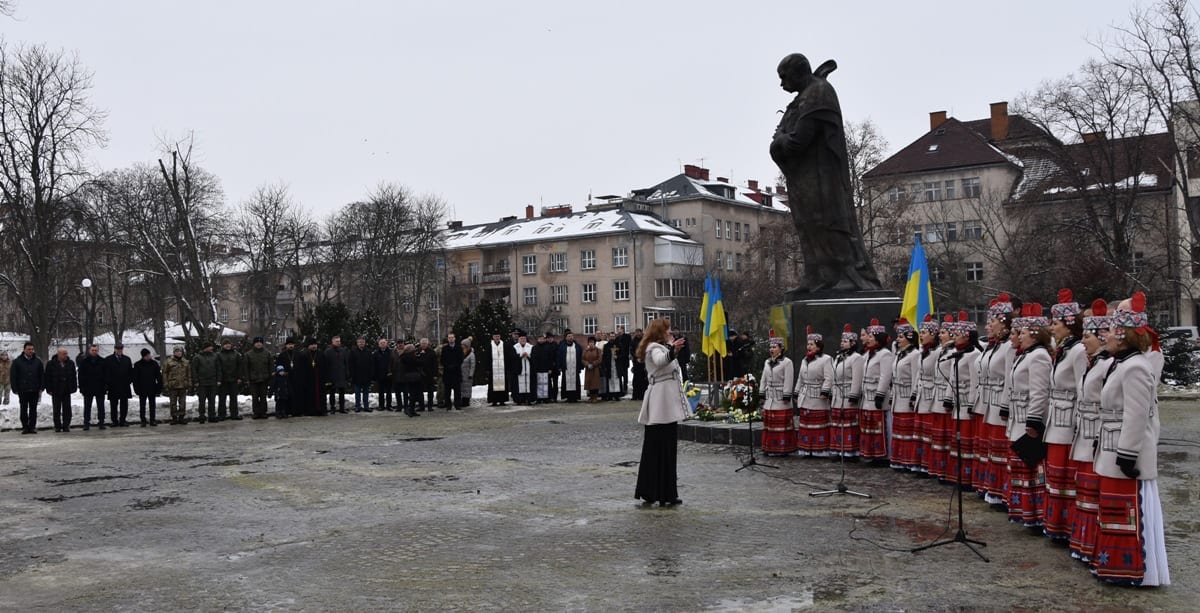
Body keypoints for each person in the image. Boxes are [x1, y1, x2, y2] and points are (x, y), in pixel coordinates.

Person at [769, 52, 880, 293]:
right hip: (803, 176)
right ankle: (817, 276)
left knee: (828, 222)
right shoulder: (802, 98)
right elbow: (783, 134)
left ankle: (846, 275)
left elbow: (799, 140)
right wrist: (780, 140)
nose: (781, 84)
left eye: (784, 77)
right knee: (807, 225)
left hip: (822, 175)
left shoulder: (819, 93)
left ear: (799, 72)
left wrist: (780, 142)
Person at [1092, 292, 1170, 586]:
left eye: (1111, 331)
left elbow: (1137, 415)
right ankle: (1113, 566)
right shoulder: (1122, 364)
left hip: (1125, 453)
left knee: (1127, 512)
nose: (1106, 336)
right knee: (1112, 511)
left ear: (1123, 336)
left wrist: (1126, 453)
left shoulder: (1136, 366)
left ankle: (1131, 569)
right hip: (1112, 447)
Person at [1040, 289, 1087, 541]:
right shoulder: (1064, 349)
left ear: (1069, 325)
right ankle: (1057, 523)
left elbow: (1083, 388)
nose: (1051, 327)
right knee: (1056, 474)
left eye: (1055, 323)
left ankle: (1067, 525)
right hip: (1057, 419)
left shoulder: (1078, 350)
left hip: (1068, 421)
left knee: (1066, 476)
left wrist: (1079, 422)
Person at [1068, 299, 1111, 563]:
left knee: (1094, 495)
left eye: (1087, 335)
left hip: (1097, 434)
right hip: (1084, 431)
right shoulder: (1094, 362)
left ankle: (1094, 546)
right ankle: (1084, 543)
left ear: (1101, 337)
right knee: (1084, 494)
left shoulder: (1106, 365)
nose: (1082, 340)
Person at [634, 318, 689, 507]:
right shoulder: (654, 348)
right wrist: (673, 351)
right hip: (661, 402)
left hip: (663, 401)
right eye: (667, 330)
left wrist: (672, 349)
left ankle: (652, 490)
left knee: (657, 448)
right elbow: (660, 361)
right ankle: (664, 493)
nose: (670, 332)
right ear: (660, 332)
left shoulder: (660, 346)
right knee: (663, 449)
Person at [1008, 302, 1052, 529]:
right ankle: (1025, 511)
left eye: (1023, 333)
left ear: (1035, 335)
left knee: (1032, 470)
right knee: (1020, 468)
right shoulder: (1026, 355)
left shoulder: (1039, 357)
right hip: (1017, 415)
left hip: (1027, 417)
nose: (1019, 336)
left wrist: (1034, 419)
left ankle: (1035, 515)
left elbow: (1040, 391)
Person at [979, 294, 1016, 506]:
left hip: (1001, 404)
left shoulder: (1008, 347)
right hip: (989, 402)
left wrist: (1005, 405)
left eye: (991, 321)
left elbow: (1010, 378)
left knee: (1002, 453)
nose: (988, 326)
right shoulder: (993, 346)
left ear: (1003, 323)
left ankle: (1003, 492)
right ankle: (992, 489)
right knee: (993, 451)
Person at [943, 312, 980, 488]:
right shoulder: (957, 354)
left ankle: (968, 477)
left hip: (966, 402)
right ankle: (957, 474)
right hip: (957, 401)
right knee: (957, 440)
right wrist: (948, 398)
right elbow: (952, 377)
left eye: (957, 335)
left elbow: (974, 382)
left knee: (966, 441)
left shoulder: (973, 355)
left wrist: (972, 404)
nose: (954, 338)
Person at [793, 326, 834, 457]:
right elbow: (800, 377)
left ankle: (820, 449)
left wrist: (825, 391)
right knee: (806, 424)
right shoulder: (804, 360)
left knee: (819, 425)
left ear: (819, 346)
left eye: (811, 344)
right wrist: (796, 392)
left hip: (818, 397)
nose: (808, 347)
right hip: (806, 395)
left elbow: (829, 377)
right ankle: (806, 448)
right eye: (808, 344)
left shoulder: (826, 359)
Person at [860, 319, 895, 465]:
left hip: (878, 394)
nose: (867, 339)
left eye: (871, 337)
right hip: (867, 394)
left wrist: (880, 394)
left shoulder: (885, 354)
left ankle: (884, 455)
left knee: (882, 426)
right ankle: (873, 453)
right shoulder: (868, 354)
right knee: (870, 426)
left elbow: (885, 375)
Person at [912, 315, 943, 477]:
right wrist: (914, 393)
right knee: (920, 434)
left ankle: (929, 465)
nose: (921, 335)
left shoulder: (937, 352)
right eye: (921, 332)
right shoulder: (922, 352)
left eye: (924, 332)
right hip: (921, 395)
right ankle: (920, 464)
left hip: (931, 396)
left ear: (933, 334)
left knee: (930, 434)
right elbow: (918, 373)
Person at [928, 315, 957, 480]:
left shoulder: (954, 352)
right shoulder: (940, 351)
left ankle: (946, 470)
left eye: (944, 332)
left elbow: (952, 377)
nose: (940, 335)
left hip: (946, 396)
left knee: (946, 437)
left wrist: (948, 398)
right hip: (936, 396)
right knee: (938, 437)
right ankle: (938, 468)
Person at [829, 324, 864, 460]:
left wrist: (854, 395)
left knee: (849, 425)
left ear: (853, 343)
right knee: (837, 424)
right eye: (841, 341)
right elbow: (833, 376)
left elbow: (857, 378)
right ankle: (838, 449)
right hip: (838, 394)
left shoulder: (856, 358)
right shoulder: (838, 357)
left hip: (848, 393)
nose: (842, 344)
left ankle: (851, 452)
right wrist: (832, 392)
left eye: (845, 341)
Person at [889, 321, 920, 471]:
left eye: (901, 336)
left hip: (907, 396)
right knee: (899, 431)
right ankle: (899, 459)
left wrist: (913, 396)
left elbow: (916, 377)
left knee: (907, 432)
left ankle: (908, 461)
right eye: (898, 336)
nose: (898, 339)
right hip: (897, 395)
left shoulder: (914, 355)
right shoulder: (899, 354)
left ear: (909, 337)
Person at [759, 336, 796, 455]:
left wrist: (786, 395)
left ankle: (783, 448)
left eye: (774, 347)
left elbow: (789, 380)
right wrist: (761, 392)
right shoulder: (766, 361)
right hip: (770, 396)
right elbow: (763, 378)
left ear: (781, 348)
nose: (771, 349)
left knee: (781, 425)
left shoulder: (787, 362)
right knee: (769, 425)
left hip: (780, 397)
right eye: (770, 347)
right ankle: (768, 447)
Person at [11, 342, 43, 434]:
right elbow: (13, 376)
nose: (31, 351)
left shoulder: (37, 361)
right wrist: (15, 388)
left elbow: (41, 375)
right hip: (23, 389)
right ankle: (25, 427)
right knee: (23, 409)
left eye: (32, 349)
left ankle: (32, 427)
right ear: (24, 350)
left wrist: (41, 387)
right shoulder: (17, 361)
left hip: (34, 389)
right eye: (29, 349)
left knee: (33, 409)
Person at [44, 348, 77, 432]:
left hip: (67, 389)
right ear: (58, 354)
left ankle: (66, 425)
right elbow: (47, 377)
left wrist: (73, 387)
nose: (66, 355)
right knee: (56, 409)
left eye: (66, 353)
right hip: (56, 389)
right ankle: (57, 426)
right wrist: (48, 389)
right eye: (64, 354)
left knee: (67, 409)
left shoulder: (70, 363)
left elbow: (73, 376)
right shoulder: (51, 364)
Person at [104, 343, 135, 427]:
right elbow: (106, 373)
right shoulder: (108, 359)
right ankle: (114, 421)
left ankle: (123, 420)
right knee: (113, 404)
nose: (119, 350)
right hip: (113, 385)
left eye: (121, 349)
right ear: (115, 349)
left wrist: (129, 380)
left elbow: (130, 372)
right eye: (118, 349)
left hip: (124, 385)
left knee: (124, 404)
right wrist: (108, 383)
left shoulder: (127, 359)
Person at [77, 344, 106, 430]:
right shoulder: (84, 362)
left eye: (95, 350)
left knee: (101, 406)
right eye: (92, 350)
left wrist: (105, 386)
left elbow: (106, 375)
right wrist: (82, 387)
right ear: (90, 351)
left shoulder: (102, 361)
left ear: (98, 351)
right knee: (87, 407)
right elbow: (80, 375)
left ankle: (101, 422)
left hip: (100, 387)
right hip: (88, 388)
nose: (94, 352)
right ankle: (86, 423)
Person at [215, 339, 246, 420]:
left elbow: (240, 367)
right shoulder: (219, 355)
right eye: (225, 344)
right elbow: (217, 367)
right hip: (223, 380)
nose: (227, 345)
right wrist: (219, 379)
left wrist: (239, 377)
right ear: (223, 345)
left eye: (229, 344)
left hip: (233, 379)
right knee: (222, 398)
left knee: (234, 398)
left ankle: (234, 414)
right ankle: (222, 415)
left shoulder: (236, 354)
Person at [245, 337, 275, 419]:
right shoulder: (248, 354)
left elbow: (271, 366)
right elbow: (246, 368)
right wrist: (247, 379)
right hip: (253, 379)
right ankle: (256, 412)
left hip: (264, 379)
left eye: (260, 342)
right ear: (254, 344)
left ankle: (263, 412)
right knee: (255, 397)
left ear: (262, 343)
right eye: (257, 342)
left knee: (263, 397)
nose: (258, 344)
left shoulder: (267, 354)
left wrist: (271, 377)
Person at [191, 341, 221, 423]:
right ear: (206, 347)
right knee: (202, 400)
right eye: (210, 346)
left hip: (212, 382)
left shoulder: (215, 356)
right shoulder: (197, 357)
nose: (212, 348)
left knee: (212, 400)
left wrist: (218, 379)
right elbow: (194, 370)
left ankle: (212, 416)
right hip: (202, 383)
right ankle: (202, 415)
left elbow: (218, 369)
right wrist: (196, 380)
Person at [132, 348, 162, 427]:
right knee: (142, 405)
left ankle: (152, 420)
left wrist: (159, 387)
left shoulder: (154, 364)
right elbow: (135, 378)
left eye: (149, 354)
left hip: (152, 387)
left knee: (152, 405)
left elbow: (158, 376)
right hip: (142, 388)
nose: (149, 356)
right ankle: (143, 420)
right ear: (144, 356)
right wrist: (136, 389)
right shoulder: (137, 365)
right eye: (147, 355)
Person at [161, 346, 191, 425]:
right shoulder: (168, 362)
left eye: (180, 351)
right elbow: (164, 373)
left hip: (183, 385)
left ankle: (181, 417)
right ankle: (174, 418)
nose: (179, 353)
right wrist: (166, 383)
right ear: (174, 353)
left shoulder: (186, 362)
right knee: (173, 403)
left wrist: (189, 383)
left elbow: (189, 374)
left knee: (182, 403)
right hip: (173, 385)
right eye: (177, 351)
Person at [322, 336, 349, 414]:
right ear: (332, 342)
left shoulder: (343, 351)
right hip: (332, 376)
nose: (338, 343)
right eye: (337, 341)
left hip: (341, 375)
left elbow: (346, 362)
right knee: (332, 393)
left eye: (339, 341)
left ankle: (342, 408)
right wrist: (327, 376)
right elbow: (326, 365)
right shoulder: (328, 352)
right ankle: (332, 408)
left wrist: (347, 373)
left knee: (342, 393)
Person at [348, 337, 374, 412]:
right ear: (357, 343)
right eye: (360, 342)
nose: (361, 343)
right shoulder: (353, 352)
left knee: (366, 393)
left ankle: (366, 406)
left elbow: (372, 364)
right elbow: (351, 364)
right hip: (357, 376)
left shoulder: (368, 352)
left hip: (366, 376)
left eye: (362, 342)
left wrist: (371, 374)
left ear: (365, 343)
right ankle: (357, 406)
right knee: (357, 393)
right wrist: (352, 375)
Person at [484, 333, 511, 406]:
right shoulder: (490, 346)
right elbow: (487, 357)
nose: (497, 338)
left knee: (503, 384)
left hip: (502, 369)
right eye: (495, 336)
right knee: (493, 385)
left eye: (498, 336)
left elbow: (508, 356)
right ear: (493, 337)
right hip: (493, 369)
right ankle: (494, 400)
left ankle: (502, 400)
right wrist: (487, 368)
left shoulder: (504, 345)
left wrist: (507, 366)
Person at [557, 331, 584, 403]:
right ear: (566, 338)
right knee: (566, 382)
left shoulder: (577, 346)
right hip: (566, 368)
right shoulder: (562, 346)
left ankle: (575, 397)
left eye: (571, 336)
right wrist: (559, 366)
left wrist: (581, 366)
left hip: (575, 368)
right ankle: (568, 397)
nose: (570, 337)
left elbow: (581, 356)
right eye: (569, 336)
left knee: (575, 382)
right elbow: (559, 356)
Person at [439, 333, 464, 410]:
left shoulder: (459, 348)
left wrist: (455, 365)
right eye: (449, 338)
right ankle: (448, 405)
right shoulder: (445, 348)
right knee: (447, 391)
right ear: (448, 339)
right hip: (447, 372)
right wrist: (448, 366)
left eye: (452, 337)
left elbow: (461, 359)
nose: (451, 339)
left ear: (455, 338)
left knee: (457, 390)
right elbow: (442, 359)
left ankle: (457, 404)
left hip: (456, 372)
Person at [399, 344, 423, 417]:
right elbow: (419, 363)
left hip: (407, 376)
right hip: (414, 377)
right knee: (414, 394)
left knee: (412, 393)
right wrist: (421, 356)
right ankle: (411, 410)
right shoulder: (411, 357)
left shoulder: (403, 356)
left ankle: (411, 409)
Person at [372, 338, 395, 411]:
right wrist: (375, 375)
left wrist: (391, 372)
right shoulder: (376, 353)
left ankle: (389, 405)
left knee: (389, 392)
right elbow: (374, 365)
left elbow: (393, 363)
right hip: (380, 375)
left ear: (387, 344)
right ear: (379, 344)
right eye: (381, 343)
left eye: (384, 343)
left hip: (389, 375)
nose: (383, 344)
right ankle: (381, 406)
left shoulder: (391, 352)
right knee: (381, 392)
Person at [416, 338, 438, 411]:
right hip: (420, 374)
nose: (423, 345)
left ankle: (430, 406)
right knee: (419, 391)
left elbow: (435, 364)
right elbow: (415, 361)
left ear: (427, 344)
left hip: (430, 374)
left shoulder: (431, 352)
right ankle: (421, 406)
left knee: (430, 391)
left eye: (425, 344)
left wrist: (435, 374)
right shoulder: (417, 351)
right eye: (422, 343)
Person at [532, 333, 555, 404]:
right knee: (538, 384)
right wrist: (534, 369)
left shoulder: (548, 347)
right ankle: (538, 398)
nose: (541, 340)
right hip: (538, 369)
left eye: (542, 339)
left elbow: (551, 358)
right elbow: (533, 359)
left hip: (546, 369)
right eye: (540, 339)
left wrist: (550, 368)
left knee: (547, 384)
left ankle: (547, 398)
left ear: (544, 339)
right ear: (538, 339)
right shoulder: (534, 348)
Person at [512, 333, 534, 404]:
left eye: (524, 339)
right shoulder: (515, 347)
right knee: (519, 384)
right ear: (519, 339)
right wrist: (520, 356)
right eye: (521, 339)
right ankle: (519, 400)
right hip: (519, 369)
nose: (523, 340)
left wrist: (528, 356)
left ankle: (529, 399)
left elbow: (534, 358)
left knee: (529, 384)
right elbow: (512, 358)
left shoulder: (530, 347)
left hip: (528, 369)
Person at [583, 336, 602, 402]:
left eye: (592, 342)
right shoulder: (586, 350)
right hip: (588, 369)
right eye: (590, 342)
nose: (591, 343)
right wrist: (587, 364)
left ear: (594, 343)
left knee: (595, 383)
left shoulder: (598, 350)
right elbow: (583, 359)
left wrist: (593, 364)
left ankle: (595, 397)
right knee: (589, 383)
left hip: (595, 369)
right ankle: (591, 397)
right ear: (588, 343)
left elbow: (599, 359)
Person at [630, 329, 648, 400]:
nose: (638, 334)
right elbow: (631, 351)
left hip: (644, 362)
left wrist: (643, 358)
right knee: (636, 379)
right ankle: (635, 395)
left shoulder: (644, 341)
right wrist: (636, 357)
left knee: (644, 379)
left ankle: (643, 395)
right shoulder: (633, 341)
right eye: (637, 332)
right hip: (636, 362)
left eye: (639, 332)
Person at [459, 338, 475, 409]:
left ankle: (466, 401)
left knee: (467, 388)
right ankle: (462, 400)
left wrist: (471, 374)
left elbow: (473, 365)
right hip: (460, 373)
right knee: (461, 387)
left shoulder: (471, 354)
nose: (462, 346)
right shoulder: (460, 352)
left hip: (467, 374)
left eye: (463, 345)